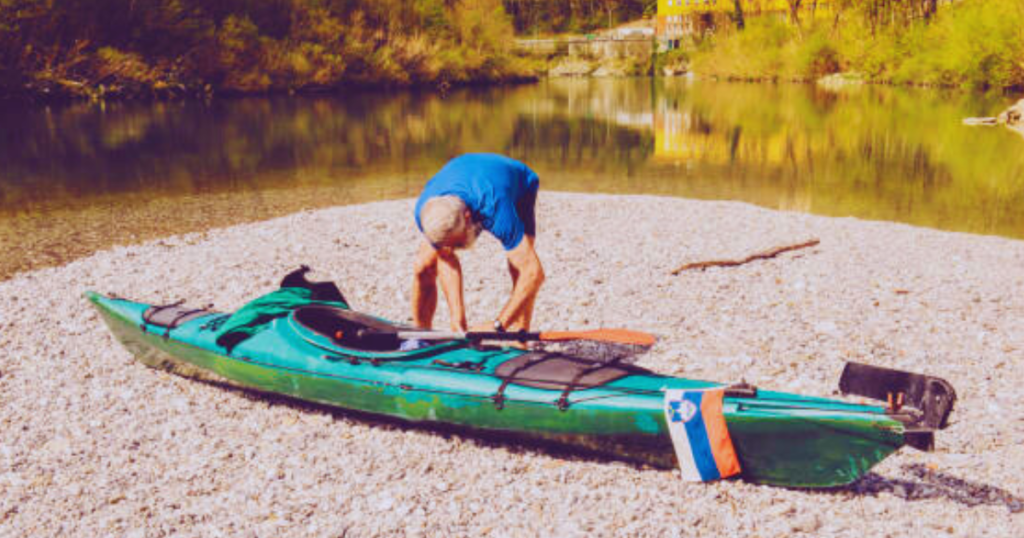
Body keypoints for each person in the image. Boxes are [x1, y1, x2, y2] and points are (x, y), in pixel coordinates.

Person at [411, 153, 544, 336]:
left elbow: (533, 273)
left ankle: (519, 336)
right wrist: (458, 320)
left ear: (467, 217)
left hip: (518, 182)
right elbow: (445, 257)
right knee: (423, 266)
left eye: (456, 242)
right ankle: (420, 335)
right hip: (464, 170)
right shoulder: (425, 212)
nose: (451, 248)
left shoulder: (495, 209)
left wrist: (498, 325)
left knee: (519, 266)